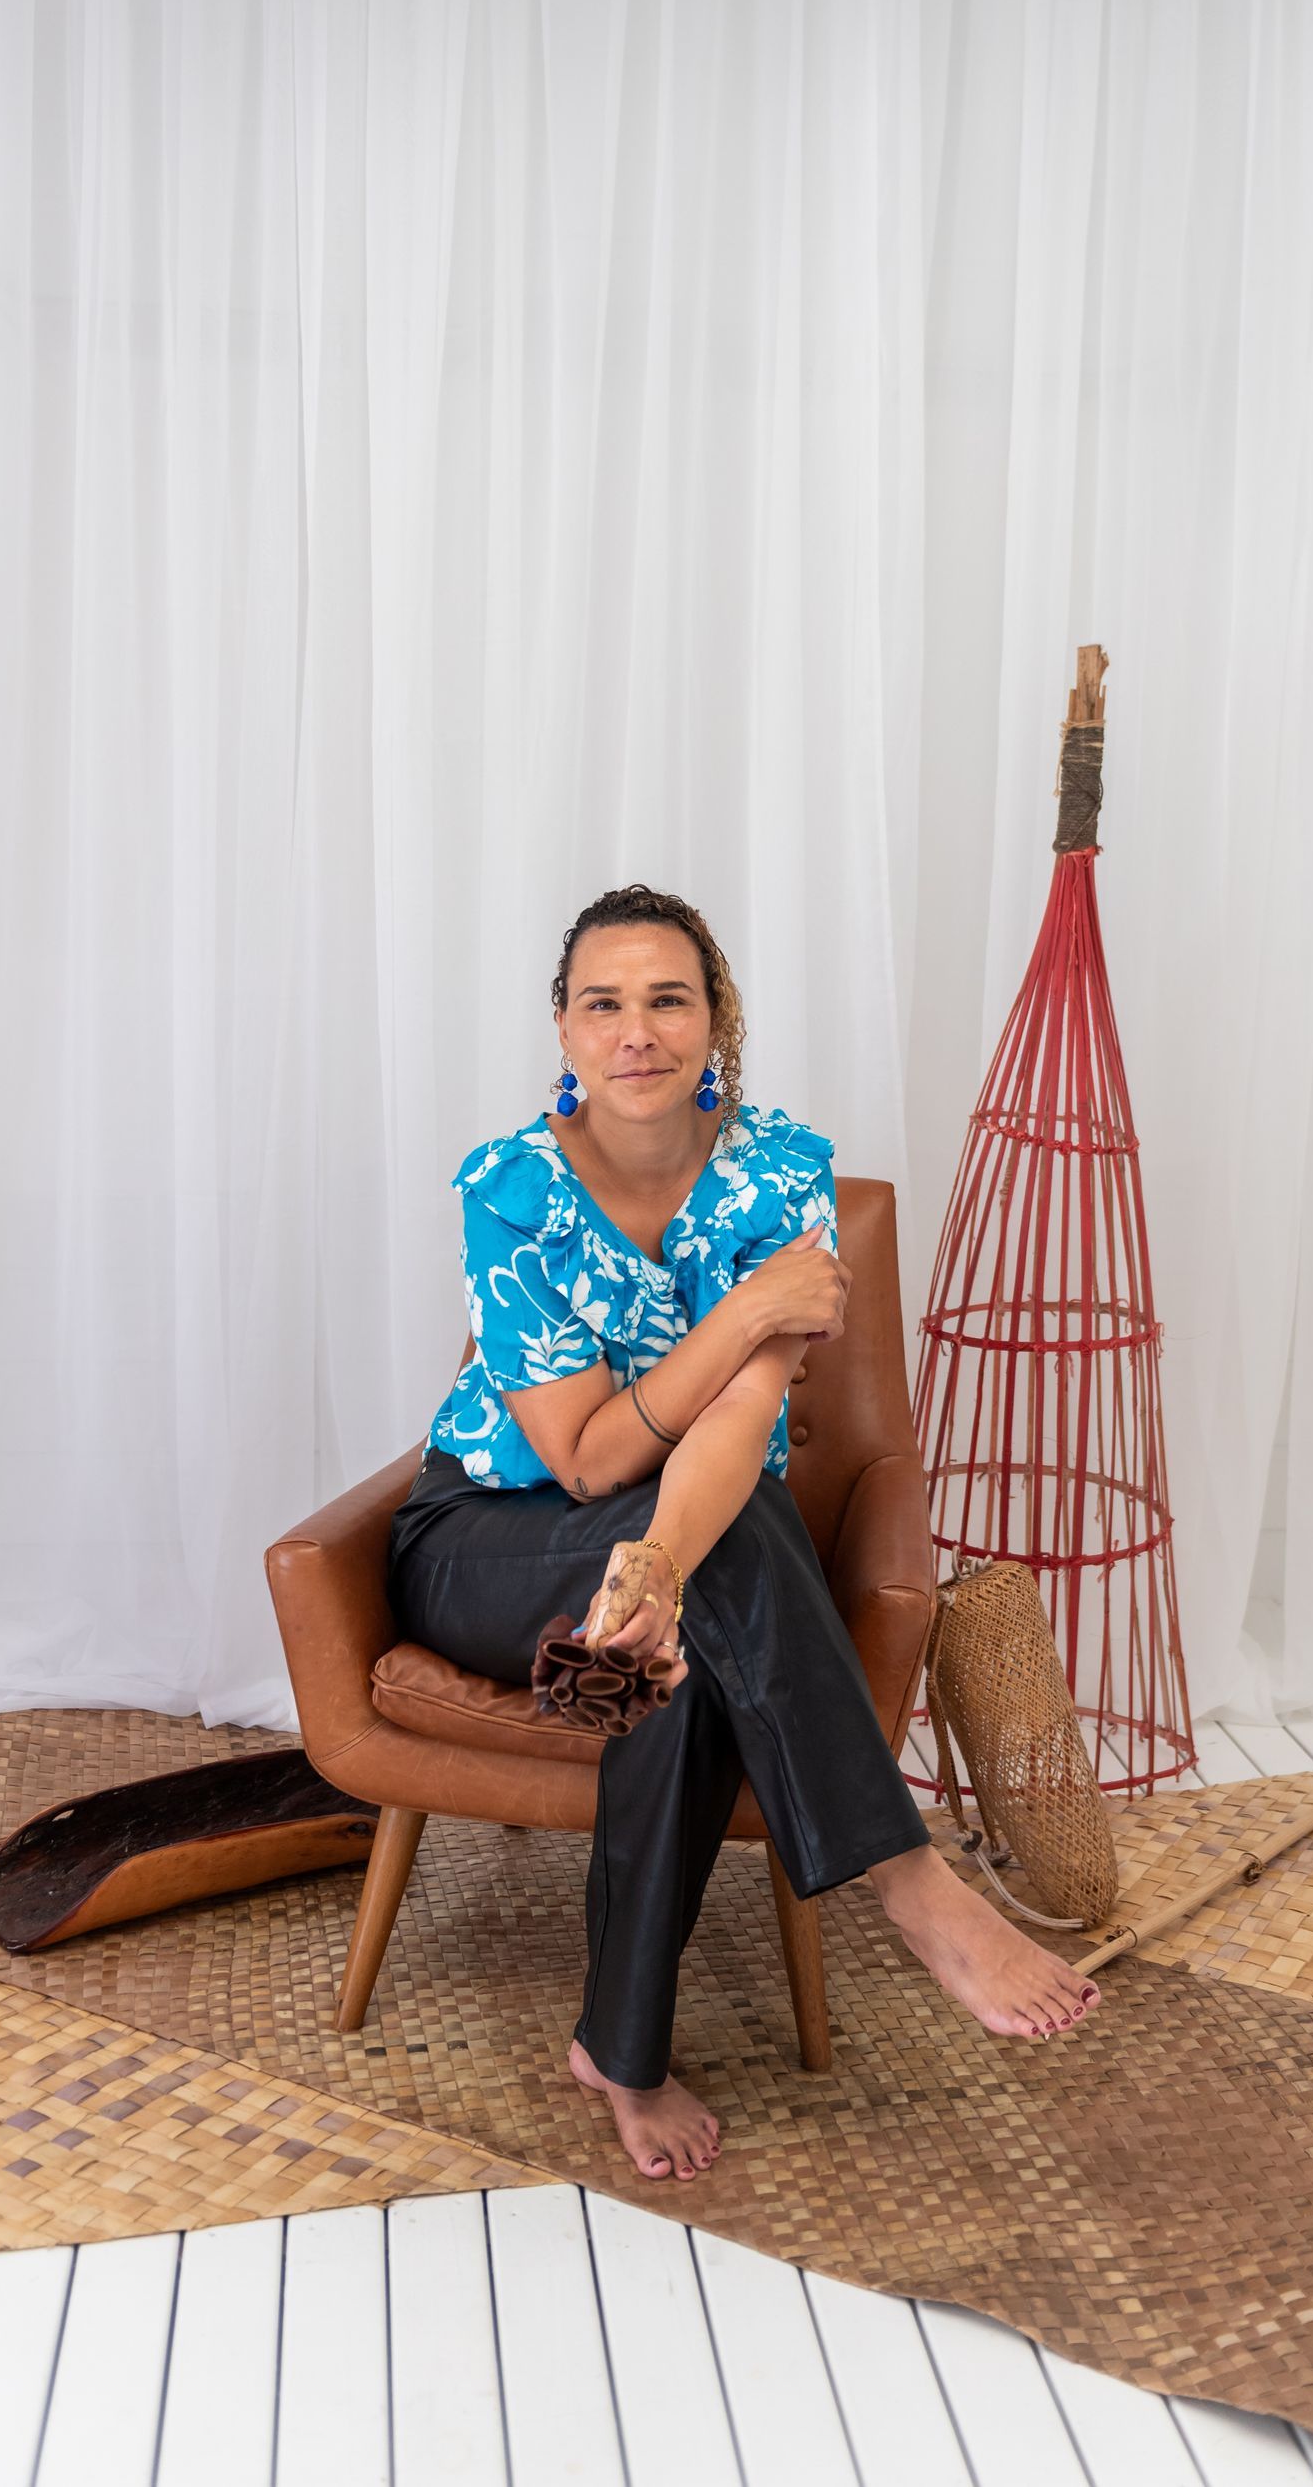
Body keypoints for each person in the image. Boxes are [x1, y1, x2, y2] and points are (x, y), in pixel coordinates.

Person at [385, 882, 1100, 2183]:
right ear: (564, 1026)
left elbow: (746, 1418)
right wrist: (746, 1314)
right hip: (483, 1544)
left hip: (655, 1564)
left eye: (669, 998)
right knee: (713, 1545)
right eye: (604, 1002)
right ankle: (907, 1884)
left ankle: (619, 2049)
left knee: (671, 1660)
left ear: (718, 1021)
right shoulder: (509, 1192)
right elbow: (587, 1453)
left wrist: (655, 1562)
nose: (637, 1031)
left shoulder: (783, 1173)